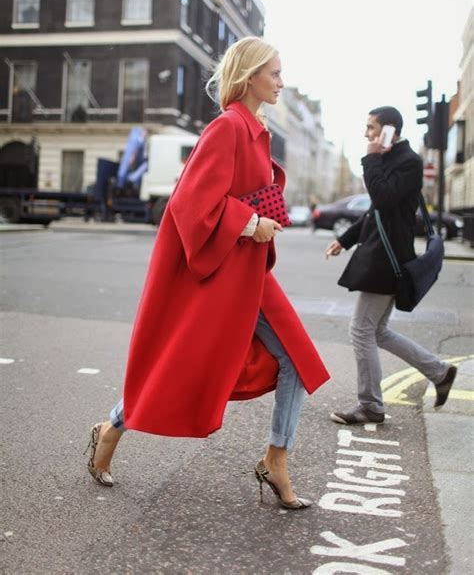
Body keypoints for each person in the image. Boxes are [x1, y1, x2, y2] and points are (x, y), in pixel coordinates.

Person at [85, 37, 330, 509]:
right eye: (275, 73)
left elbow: (239, 193)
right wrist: (252, 222)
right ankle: (110, 429)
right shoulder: (228, 127)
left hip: (249, 272)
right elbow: (189, 203)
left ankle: (275, 458)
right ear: (251, 75)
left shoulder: (255, 129)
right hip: (225, 271)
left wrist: (261, 217)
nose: (281, 81)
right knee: (178, 363)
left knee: (297, 363)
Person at [326, 106, 457, 425]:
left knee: (361, 330)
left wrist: (371, 157)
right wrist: (345, 239)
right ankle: (439, 372)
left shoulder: (408, 161)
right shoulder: (393, 160)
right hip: (383, 256)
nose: (366, 133)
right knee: (377, 331)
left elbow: (383, 197)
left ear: (389, 130)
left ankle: (371, 404)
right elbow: (376, 212)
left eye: (371, 127)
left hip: (387, 261)